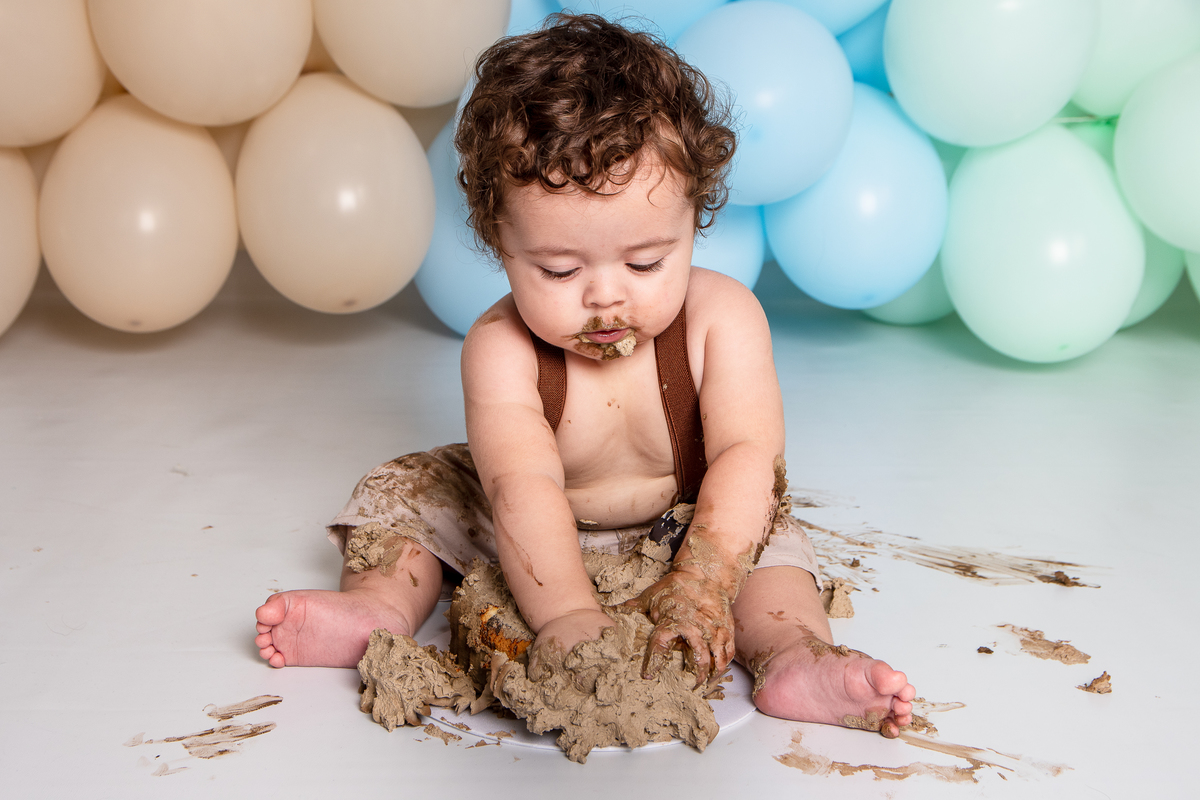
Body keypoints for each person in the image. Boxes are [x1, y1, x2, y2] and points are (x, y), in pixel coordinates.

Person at [254, 13, 914, 738]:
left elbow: (746, 455)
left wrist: (703, 577)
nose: (606, 296)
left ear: (697, 220)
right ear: (499, 243)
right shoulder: (501, 346)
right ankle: (380, 609)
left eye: (644, 263)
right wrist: (567, 614)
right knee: (403, 494)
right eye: (560, 270)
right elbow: (521, 487)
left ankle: (794, 655)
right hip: (534, 528)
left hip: (689, 520)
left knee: (770, 547)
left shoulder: (723, 319)